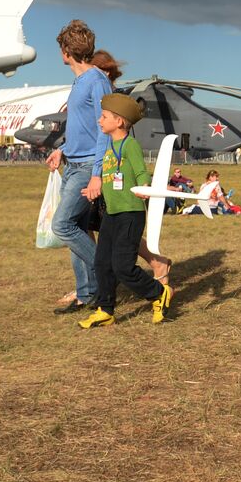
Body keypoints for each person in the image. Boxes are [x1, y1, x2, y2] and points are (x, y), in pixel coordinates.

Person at [78, 93, 173, 328]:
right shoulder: (111, 146)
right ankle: (106, 310)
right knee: (102, 263)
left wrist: (145, 188)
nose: (99, 120)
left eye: (104, 116)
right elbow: (112, 175)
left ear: (119, 121)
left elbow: (141, 173)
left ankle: (158, 293)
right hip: (112, 213)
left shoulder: (130, 145)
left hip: (130, 214)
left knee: (122, 267)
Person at [45, 20, 111, 315]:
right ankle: (87, 294)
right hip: (72, 163)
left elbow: (104, 130)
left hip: (86, 168)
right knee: (79, 227)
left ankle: (108, 273)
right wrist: (61, 150)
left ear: (65, 51)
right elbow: (82, 127)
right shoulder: (80, 81)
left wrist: (97, 174)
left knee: (62, 225)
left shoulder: (96, 81)